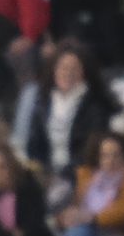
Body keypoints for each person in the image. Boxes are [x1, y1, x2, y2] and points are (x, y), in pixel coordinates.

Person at [26, 41, 116, 178]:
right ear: (54, 70)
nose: (68, 73)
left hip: (81, 174)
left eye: (74, 68)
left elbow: (92, 150)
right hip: (47, 174)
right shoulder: (43, 101)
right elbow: (34, 144)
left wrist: (66, 174)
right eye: (63, 68)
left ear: (84, 72)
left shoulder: (95, 106)